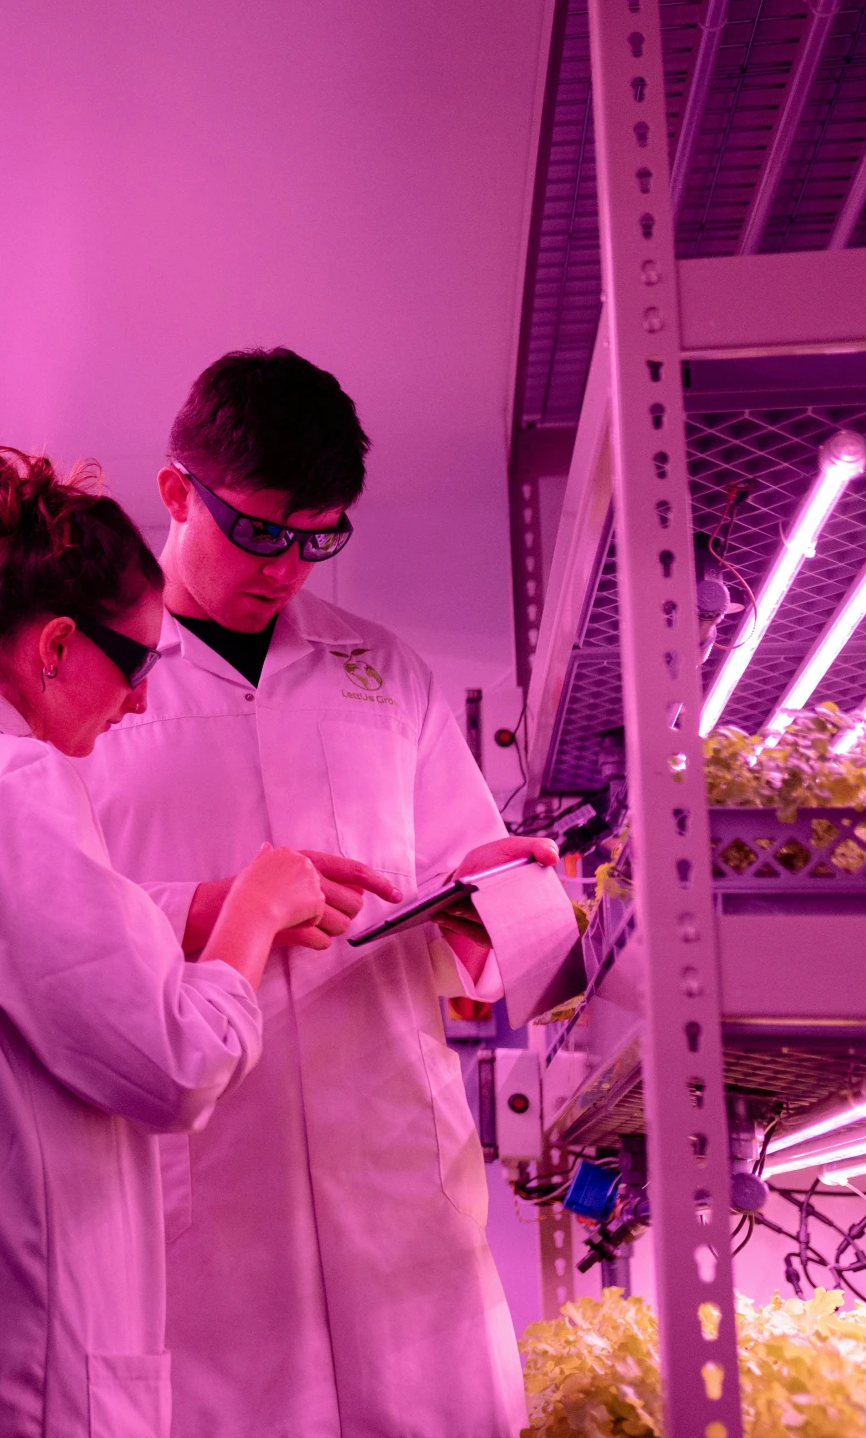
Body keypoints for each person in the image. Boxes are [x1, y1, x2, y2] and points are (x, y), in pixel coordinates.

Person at [76, 349, 565, 1438]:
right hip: (199, 1181)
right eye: (257, 530)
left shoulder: (384, 674)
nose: (287, 567)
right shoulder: (90, 687)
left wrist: (494, 896)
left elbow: (462, 873)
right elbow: (43, 926)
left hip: (396, 1171)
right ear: (175, 492)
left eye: (319, 536)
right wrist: (206, 909)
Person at [0, 445, 336, 1438]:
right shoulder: (20, 787)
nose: (143, 695)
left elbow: (21, 968)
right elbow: (177, 1063)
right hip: (28, 1372)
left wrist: (186, 906)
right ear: (56, 644)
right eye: (136, 660)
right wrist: (256, 910)